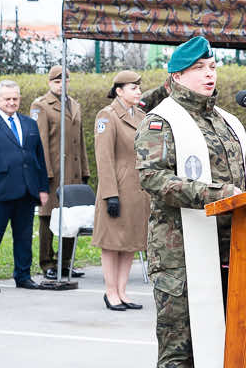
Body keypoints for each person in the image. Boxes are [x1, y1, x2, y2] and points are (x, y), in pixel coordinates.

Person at [136, 36, 246, 367]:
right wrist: (217, 195)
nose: (209, 74)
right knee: (181, 354)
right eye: (198, 68)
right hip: (180, 258)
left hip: (233, 251)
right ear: (177, 76)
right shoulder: (161, 121)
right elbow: (153, 178)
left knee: (232, 346)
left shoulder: (228, 121)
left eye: (212, 67)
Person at [0, 80, 49, 293]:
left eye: (15, 98)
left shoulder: (30, 124)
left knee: (24, 237)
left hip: (26, 191)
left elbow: (39, 159)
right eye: (7, 99)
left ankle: (23, 275)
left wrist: (42, 188)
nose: (12, 102)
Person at [93, 70, 148, 311]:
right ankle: (111, 292)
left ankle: (123, 291)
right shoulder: (107, 116)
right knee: (112, 242)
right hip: (117, 189)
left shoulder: (142, 115)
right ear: (119, 91)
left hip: (137, 191)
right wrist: (109, 194)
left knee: (130, 242)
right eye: (133, 88)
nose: (138, 91)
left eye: (139, 87)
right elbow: (104, 158)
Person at [30, 66, 90, 280]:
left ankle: (66, 262)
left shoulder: (75, 105)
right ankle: (47, 263)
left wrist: (84, 169)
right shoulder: (41, 105)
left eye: (64, 80)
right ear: (49, 83)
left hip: (72, 171)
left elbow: (80, 141)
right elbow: (40, 142)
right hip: (53, 172)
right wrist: (43, 174)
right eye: (56, 81)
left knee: (71, 218)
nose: (61, 85)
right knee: (48, 217)